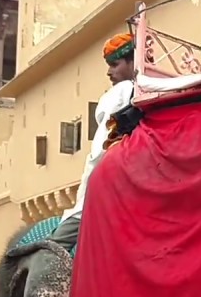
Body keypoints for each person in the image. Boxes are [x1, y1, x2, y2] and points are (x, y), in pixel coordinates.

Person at [50, 33, 138, 254]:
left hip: (106, 180)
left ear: (133, 61)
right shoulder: (140, 89)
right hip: (128, 180)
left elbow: (99, 150)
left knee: (56, 246)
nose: (109, 72)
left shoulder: (122, 91)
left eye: (115, 65)